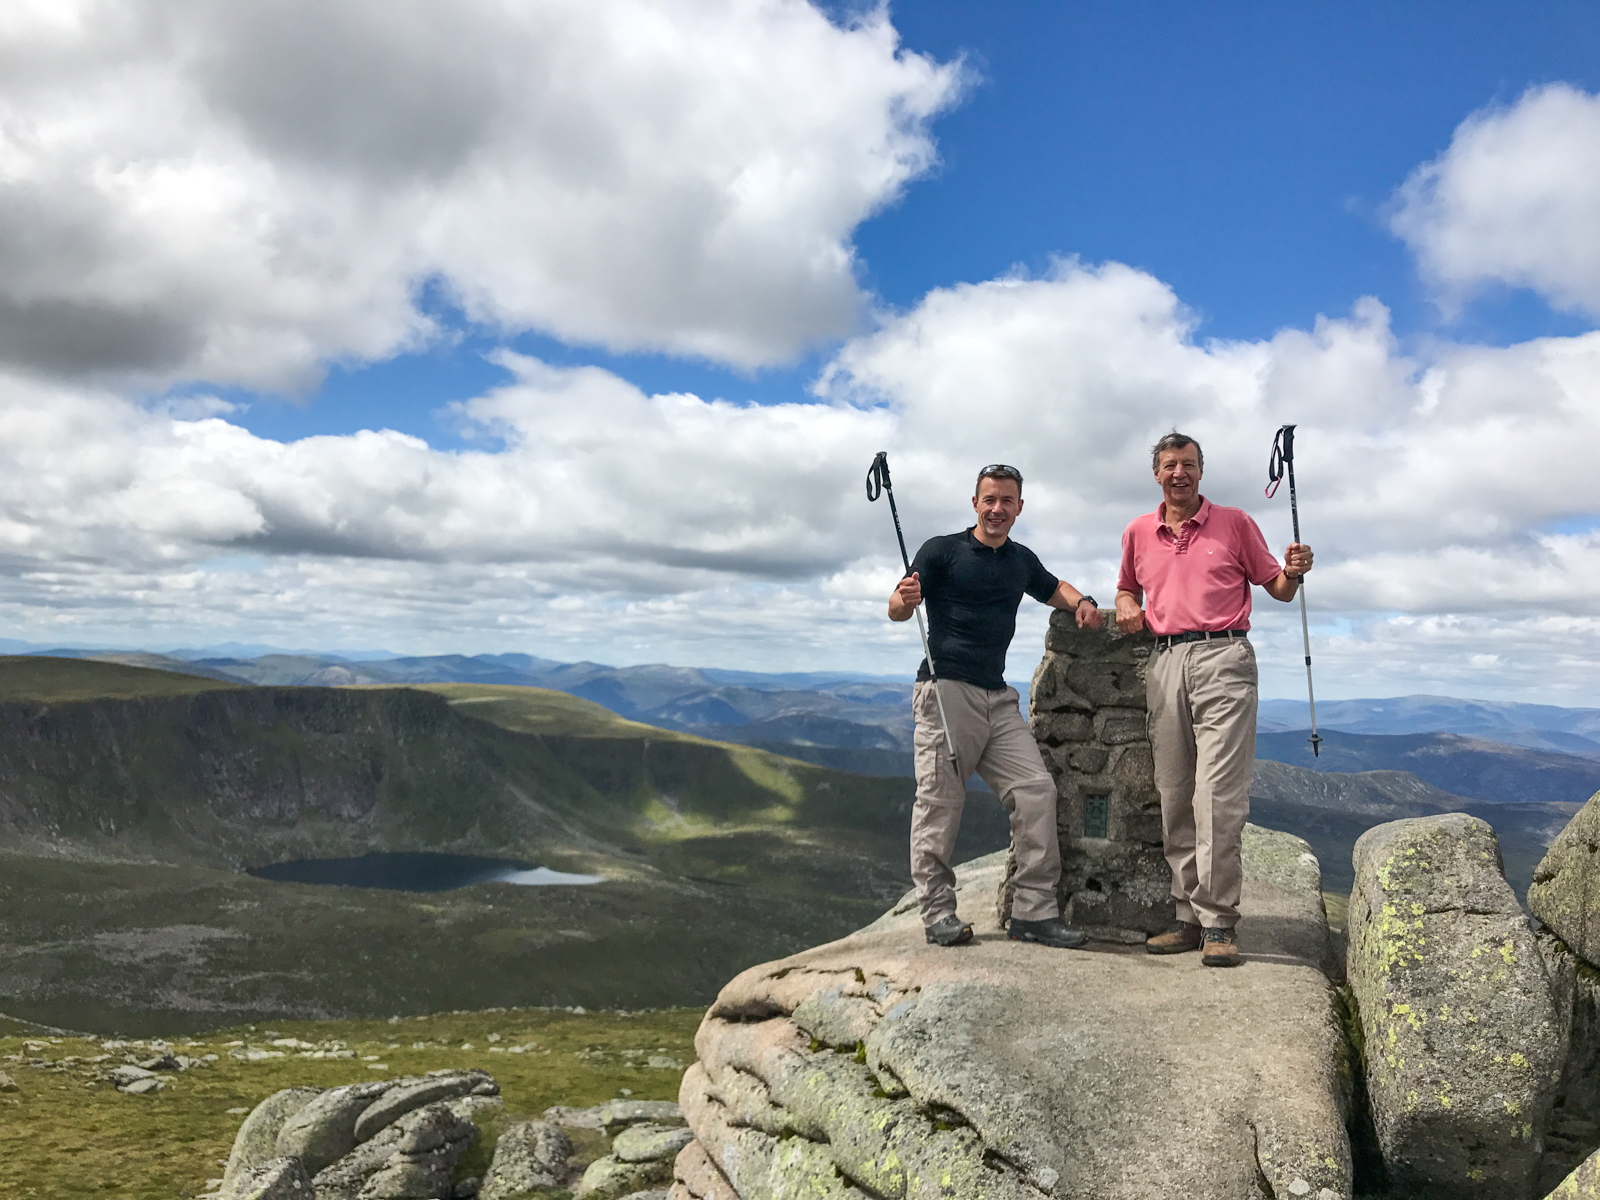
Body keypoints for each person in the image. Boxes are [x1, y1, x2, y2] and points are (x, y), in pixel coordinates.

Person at [1114, 431, 1314, 967]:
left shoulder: (1236, 523)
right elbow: (1127, 587)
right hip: (1164, 660)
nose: (1179, 473)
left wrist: (1293, 571)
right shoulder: (1138, 531)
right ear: (1156, 473)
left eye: (1189, 464)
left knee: (1216, 794)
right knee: (1175, 791)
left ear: (1202, 471)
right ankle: (1187, 916)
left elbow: (1278, 588)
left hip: (1223, 657)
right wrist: (1125, 601)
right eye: (1169, 465)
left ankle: (1219, 922)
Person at [889, 463, 1104, 949]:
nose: (997, 509)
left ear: (1019, 508)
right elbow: (899, 607)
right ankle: (939, 914)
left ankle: (1033, 913)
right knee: (940, 803)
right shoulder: (941, 551)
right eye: (989, 499)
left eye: (1007, 501)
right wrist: (903, 600)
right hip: (946, 692)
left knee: (1035, 790)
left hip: (997, 697)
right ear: (975, 503)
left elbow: (1055, 587)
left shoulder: (1019, 560)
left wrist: (1082, 601)